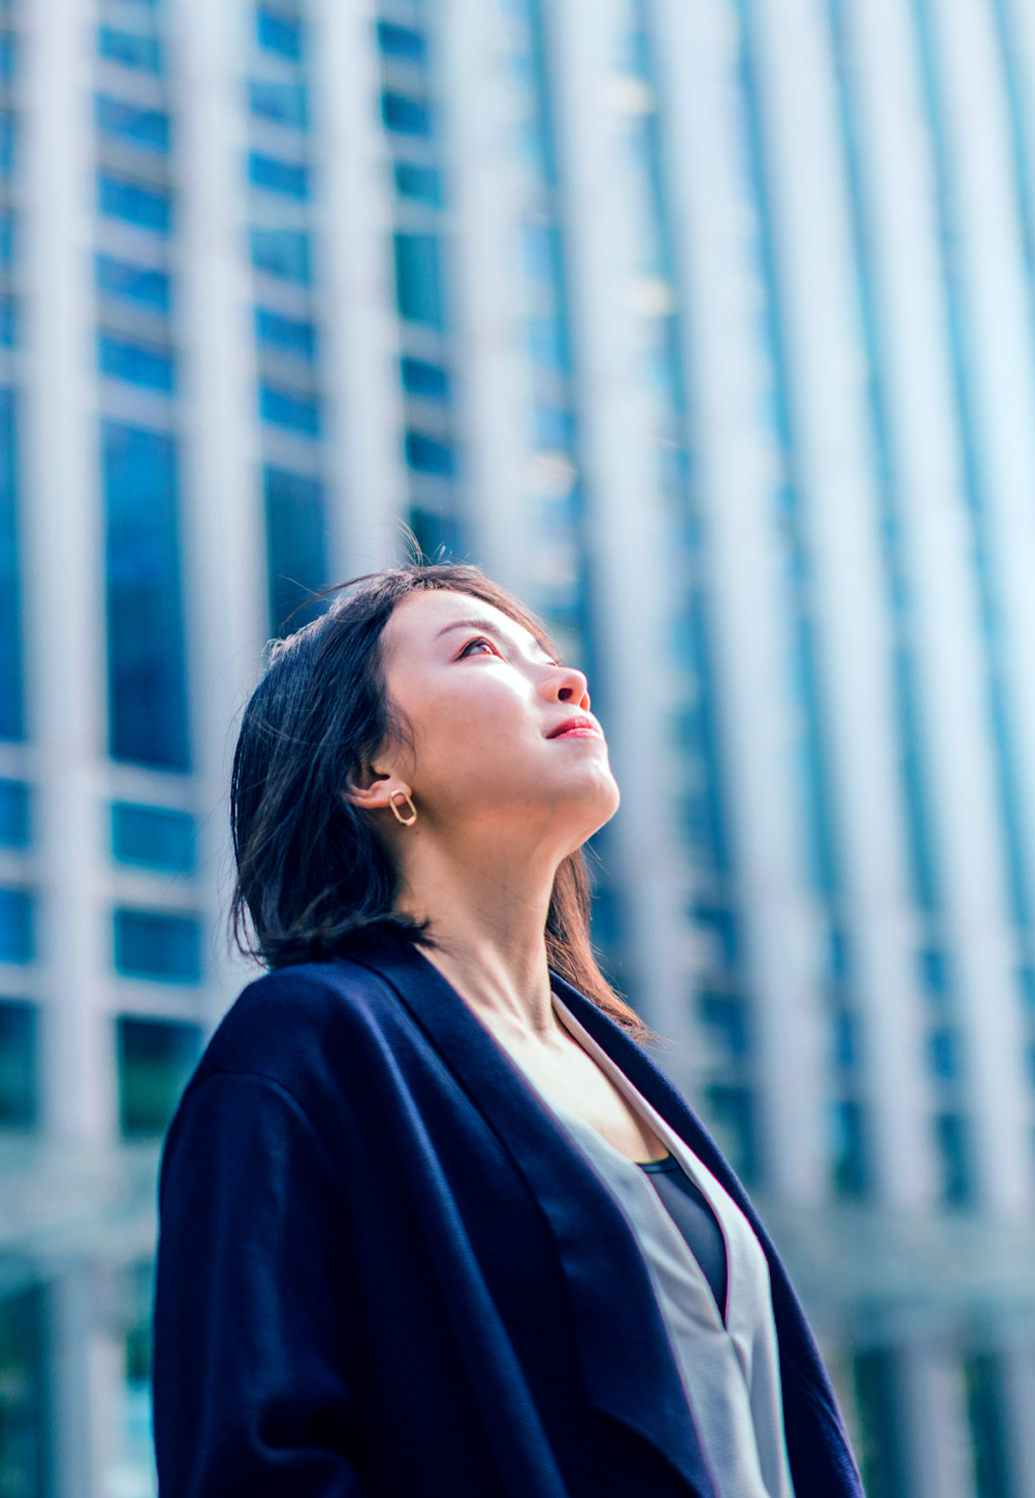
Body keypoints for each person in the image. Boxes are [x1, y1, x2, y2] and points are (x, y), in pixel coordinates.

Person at [152, 564, 863, 1498]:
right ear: (373, 769)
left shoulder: (614, 1065)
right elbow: (251, 1464)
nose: (567, 682)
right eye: (481, 652)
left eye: (552, 659)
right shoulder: (304, 1048)